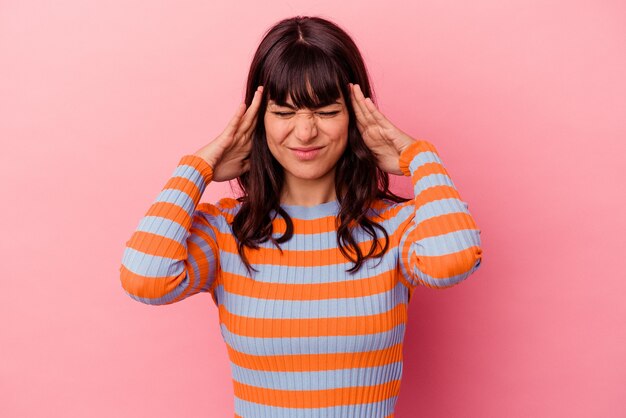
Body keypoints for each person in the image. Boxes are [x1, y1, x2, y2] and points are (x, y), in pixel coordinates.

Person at [120, 15, 482, 418]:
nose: (306, 132)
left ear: (356, 116)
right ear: (257, 119)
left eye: (326, 111)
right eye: (284, 112)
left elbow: (454, 259)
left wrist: (421, 158)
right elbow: (144, 278)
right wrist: (197, 168)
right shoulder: (228, 230)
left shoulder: (397, 227)